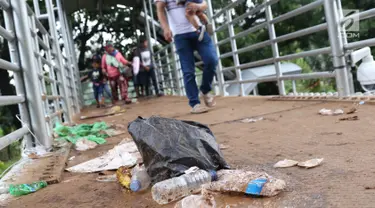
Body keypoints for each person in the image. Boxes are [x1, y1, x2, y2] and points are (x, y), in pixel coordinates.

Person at [156, 0, 218, 114]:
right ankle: (195, 103)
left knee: (212, 60)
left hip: (199, 30)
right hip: (180, 35)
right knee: (188, 71)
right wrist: (165, 28)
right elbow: (160, 9)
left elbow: (204, 4)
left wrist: (197, 6)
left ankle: (205, 89)